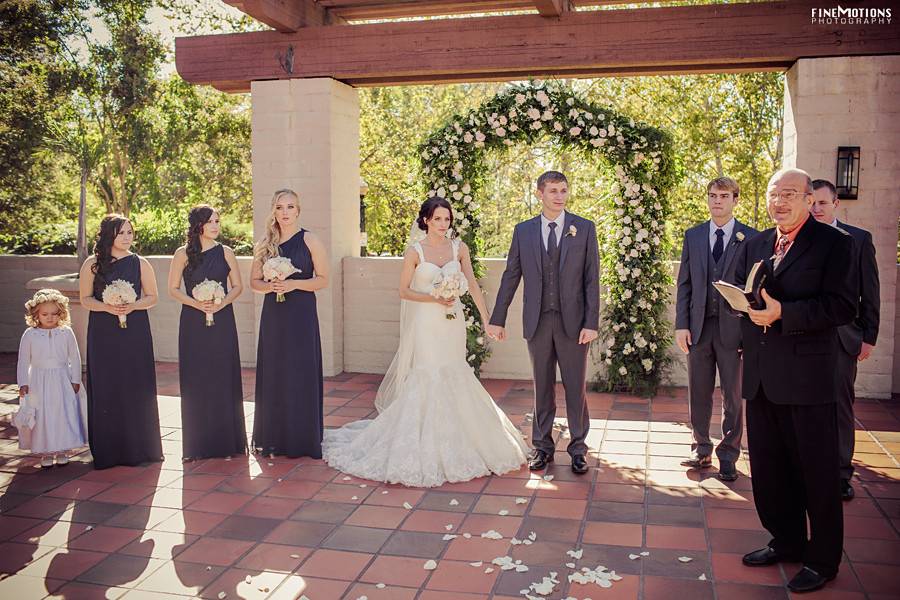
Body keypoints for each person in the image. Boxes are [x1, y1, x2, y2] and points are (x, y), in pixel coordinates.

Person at [323, 197, 527, 486]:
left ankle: (462, 439)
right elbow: (403, 291)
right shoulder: (414, 252)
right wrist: (434, 296)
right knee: (428, 374)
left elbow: (472, 286)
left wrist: (487, 319)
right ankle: (422, 440)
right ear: (426, 221)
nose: (444, 225)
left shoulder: (460, 248)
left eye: (447, 219)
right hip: (427, 323)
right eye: (438, 219)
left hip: (452, 321)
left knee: (456, 371)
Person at [734, 168, 857, 593]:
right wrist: (742, 306)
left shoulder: (835, 245)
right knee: (769, 471)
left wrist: (784, 313)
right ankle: (786, 541)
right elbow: (744, 293)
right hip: (762, 378)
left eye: (789, 193)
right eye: (773, 194)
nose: (780, 201)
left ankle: (822, 560)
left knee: (817, 474)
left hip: (808, 379)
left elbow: (841, 307)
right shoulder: (754, 243)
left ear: (810, 199)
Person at [486, 171, 599, 475]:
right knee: (542, 387)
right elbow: (511, 276)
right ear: (539, 194)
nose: (559, 196)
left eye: (563, 190)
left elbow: (592, 280)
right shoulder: (523, 231)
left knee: (575, 388)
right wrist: (497, 317)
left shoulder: (584, 229)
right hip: (537, 321)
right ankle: (542, 447)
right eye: (553, 191)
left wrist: (592, 322)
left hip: (575, 324)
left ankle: (578, 449)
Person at [675, 177, 757, 481]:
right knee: (698, 390)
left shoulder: (751, 237)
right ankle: (701, 447)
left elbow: (755, 290)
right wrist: (681, 324)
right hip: (698, 328)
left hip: (733, 330)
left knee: (733, 396)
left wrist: (749, 332)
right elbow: (684, 284)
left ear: (735, 200)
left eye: (724, 196)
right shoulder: (693, 236)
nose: (717, 201)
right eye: (712, 195)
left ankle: (728, 454)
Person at [810, 179, 880, 501]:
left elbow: (871, 291)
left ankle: (840, 474)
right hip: (806, 337)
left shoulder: (859, 240)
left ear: (836, 204)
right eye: (812, 203)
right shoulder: (800, 239)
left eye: (823, 203)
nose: (816, 209)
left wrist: (869, 336)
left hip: (843, 338)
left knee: (839, 406)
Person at [79, 215, 163, 469]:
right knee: (108, 383)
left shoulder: (141, 263)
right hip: (103, 331)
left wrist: (131, 305)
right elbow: (85, 299)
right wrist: (108, 306)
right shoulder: (92, 264)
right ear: (109, 236)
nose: (127, 237)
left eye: (130, 232)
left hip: (135, 330)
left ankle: (140, 448)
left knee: (135, 382)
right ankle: (109, 451)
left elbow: (152, 297)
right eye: (121, 233)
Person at [250, 189, 329, 458]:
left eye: (290, 207)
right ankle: (274, 437)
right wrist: (271, 285)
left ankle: (302, 437)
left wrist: (293, 283)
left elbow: (323, 279)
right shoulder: (265, 243)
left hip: (302, 313)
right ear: (273, 210)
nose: (285, 212)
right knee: (276, 369)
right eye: (280, 207)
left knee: (300, 370)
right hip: (274, 315)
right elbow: (254, 283)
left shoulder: (310, 240)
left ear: (298, 210)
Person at [167, 205, 247, 461]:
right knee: (196, 377)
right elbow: (173, 289)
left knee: (222, 374)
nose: (216, 226)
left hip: (222, 319)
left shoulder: (226, 252)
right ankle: (196, 446)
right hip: (192, 321)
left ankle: (227, 443)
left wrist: (221, 303)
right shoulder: (182, 254)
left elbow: (237, 286)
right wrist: (196, 303)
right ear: (198, 225)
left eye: (218, 221)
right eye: (210, 221)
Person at [15, 289, 87, 467]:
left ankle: (63, 449)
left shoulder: (66, 332)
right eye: (45, 314)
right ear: (36, 314)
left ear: (61, 314)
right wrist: (23, 383)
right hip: (38, 382)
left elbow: (75, 357)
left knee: (62, 413)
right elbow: (23, 360)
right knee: (42, 415)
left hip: (62, 379)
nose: (50, 317)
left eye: (54, 314)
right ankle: (45, 451)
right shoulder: (30, 335)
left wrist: (76, 379)